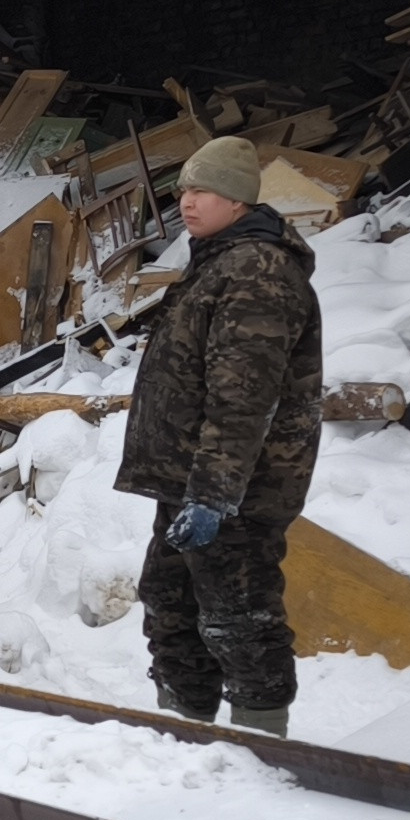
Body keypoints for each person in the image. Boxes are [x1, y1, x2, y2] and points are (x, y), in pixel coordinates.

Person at [111, 134, 323, 737]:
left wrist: (215, 494)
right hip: (191, 483)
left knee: (239, 617)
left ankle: (261, 747)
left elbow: (242, 398)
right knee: (173, 609)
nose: (187, 201)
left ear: (238, 200)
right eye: (183, 189)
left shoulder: (258, 271)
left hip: (237, 491)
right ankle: (186, 739)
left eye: (203, 190)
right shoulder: (216, 264)